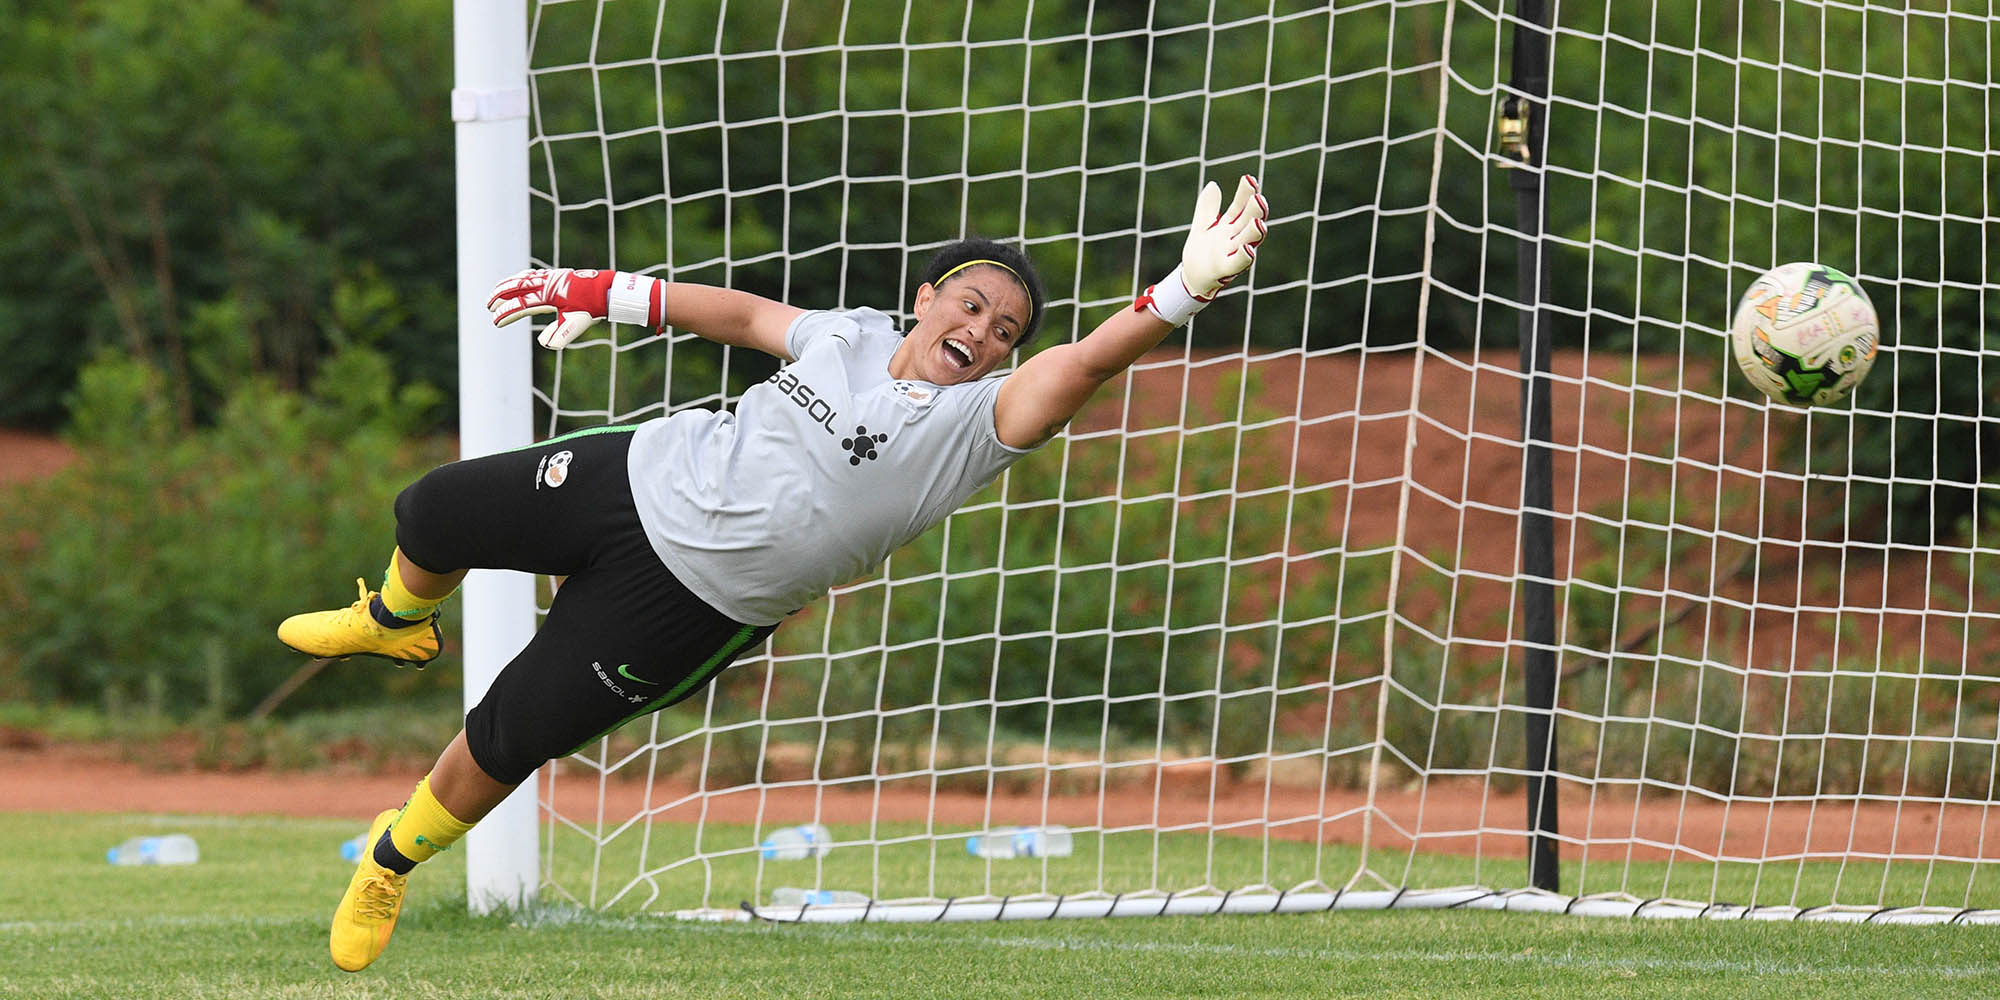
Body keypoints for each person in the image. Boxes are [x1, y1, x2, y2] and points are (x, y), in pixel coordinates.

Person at [279, 176, 1267, 971]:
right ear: (925, 299)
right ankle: (394, 616)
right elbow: (745, 315)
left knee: (502, 737)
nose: (984, 329)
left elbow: (1086, 361)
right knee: (433, 507)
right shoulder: (848, 333)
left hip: (688, 608)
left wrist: (1181, 291)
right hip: (634, 480)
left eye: (1004, 328)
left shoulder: (983, 422)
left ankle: (387, 859)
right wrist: (599, 292)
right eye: (971, 302)